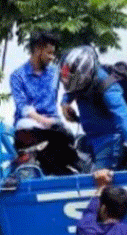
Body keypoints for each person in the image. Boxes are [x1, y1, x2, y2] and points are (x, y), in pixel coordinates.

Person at [59, 46, 127, 170]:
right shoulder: (80, 81)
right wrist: (65, 103)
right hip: (90, 138)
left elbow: (124, 118)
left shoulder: (108, 87)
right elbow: (72, 90)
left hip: (109, 141)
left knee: (98, 183)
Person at [10, 31, 79, 175]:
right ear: (37, 49)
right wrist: (43, 121)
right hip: (30, 124)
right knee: (49, 134)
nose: (51, 57)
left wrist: (65, 104)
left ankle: (67, 169)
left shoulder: (55, 72)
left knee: (68, 137)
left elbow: (73, 85)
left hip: (53, 125)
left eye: (53, 53)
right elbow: (22, 106)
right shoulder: (17, 76)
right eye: (49, 53)